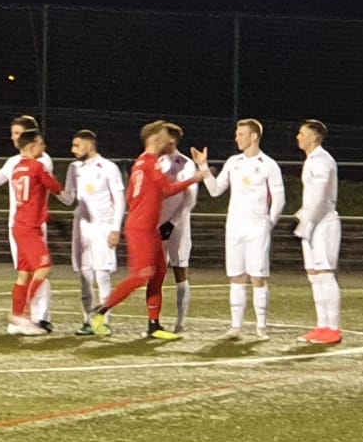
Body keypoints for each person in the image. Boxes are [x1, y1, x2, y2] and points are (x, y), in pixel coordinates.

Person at [89, 122, 204, 339]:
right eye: (164, 137)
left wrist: (146, 204)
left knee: (158, 275)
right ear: (155, 139)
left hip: (149, 227)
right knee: (141, 275)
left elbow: (133, 195)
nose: (168, 141)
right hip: (141, 229)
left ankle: (154, 325)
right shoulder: (150, 163)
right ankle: (100, 312)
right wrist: (194, 179)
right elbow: (167, 189)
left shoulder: (141, 163)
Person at [195, 118, 284, 340]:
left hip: (257, 228)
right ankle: (235, 327)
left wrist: (269, 222)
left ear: (254, 136)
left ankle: (261, 327)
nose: (237, 138)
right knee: (236, 276)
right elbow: (215, 190)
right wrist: (203, 167)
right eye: (237, 134)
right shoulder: (233, 162)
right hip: (234, 227)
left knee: (258, 277)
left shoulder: (269, 164)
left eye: (241, 134)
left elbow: (279, 198)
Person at [0, 115, 56, 329]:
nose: (14, 138)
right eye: (13, 133)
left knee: (39, 269)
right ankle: (21, 316)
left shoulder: (42, 160)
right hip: (17, 223)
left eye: (18, 133)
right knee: (27, 271)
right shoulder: (14, 161)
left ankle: (41, 316)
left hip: (35, 223)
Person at [57, 129, 125, 336]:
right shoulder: (73, 168)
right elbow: (69, 199)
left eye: (77, 145)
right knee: (85, 275)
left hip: (103, 226)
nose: (73, 150)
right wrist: (50, 185)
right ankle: (87, 320)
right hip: (82, 228)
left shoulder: (108, 167)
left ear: (90, 144)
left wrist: (116, 229)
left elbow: (119, 200)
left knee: (102, 274)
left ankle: (103, 320)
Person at [4, 130, 63, 335]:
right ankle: (25, 315)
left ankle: (16, 319)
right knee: (44, 267)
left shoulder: (16, 168)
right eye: (41, 143)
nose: (44, 147)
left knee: (24, 274)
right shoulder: (37, 166)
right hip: (30, 226)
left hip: (19, 223)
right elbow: (55, 187)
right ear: (32, 145)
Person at [293, 120, 342, 345]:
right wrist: (303, 216)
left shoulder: (322, 160)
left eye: (302, 133)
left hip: (323, 224)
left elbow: (320, 195)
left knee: (325, 274)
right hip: (312, 224)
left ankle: (333, 328)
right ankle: (322, 325)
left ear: (314, 137)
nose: (298, 137)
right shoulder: (311, 160)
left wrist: (306, 221)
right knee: (314, 275)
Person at [156, 122, 198, 333]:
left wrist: (172, 223)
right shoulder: (156, 161)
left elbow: (190, 199)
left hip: (178, 227)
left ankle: (180, 323)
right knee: (156, 274)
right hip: (157, 225)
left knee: (180, 272)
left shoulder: (186, 164)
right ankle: (154, 321)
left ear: (171, 140)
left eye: (161, 136)